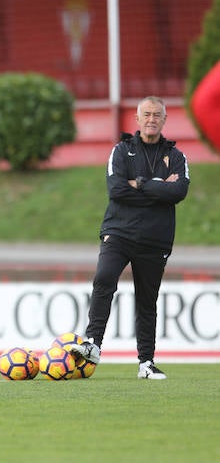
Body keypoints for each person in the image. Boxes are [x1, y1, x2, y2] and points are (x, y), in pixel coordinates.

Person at [69, 96, 189, 379]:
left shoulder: (178, 156)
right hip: (119, 232)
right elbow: (117, 191)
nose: (151, 119)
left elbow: (178, 193)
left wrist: (141, 185)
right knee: (104, 277)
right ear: (137, 119)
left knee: (147, 301)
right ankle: (93, 343)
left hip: (155, 239)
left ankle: (146, 363)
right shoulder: (122, 151)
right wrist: (158, 188)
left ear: (164, 119)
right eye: (146, 114)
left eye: (157, 114)